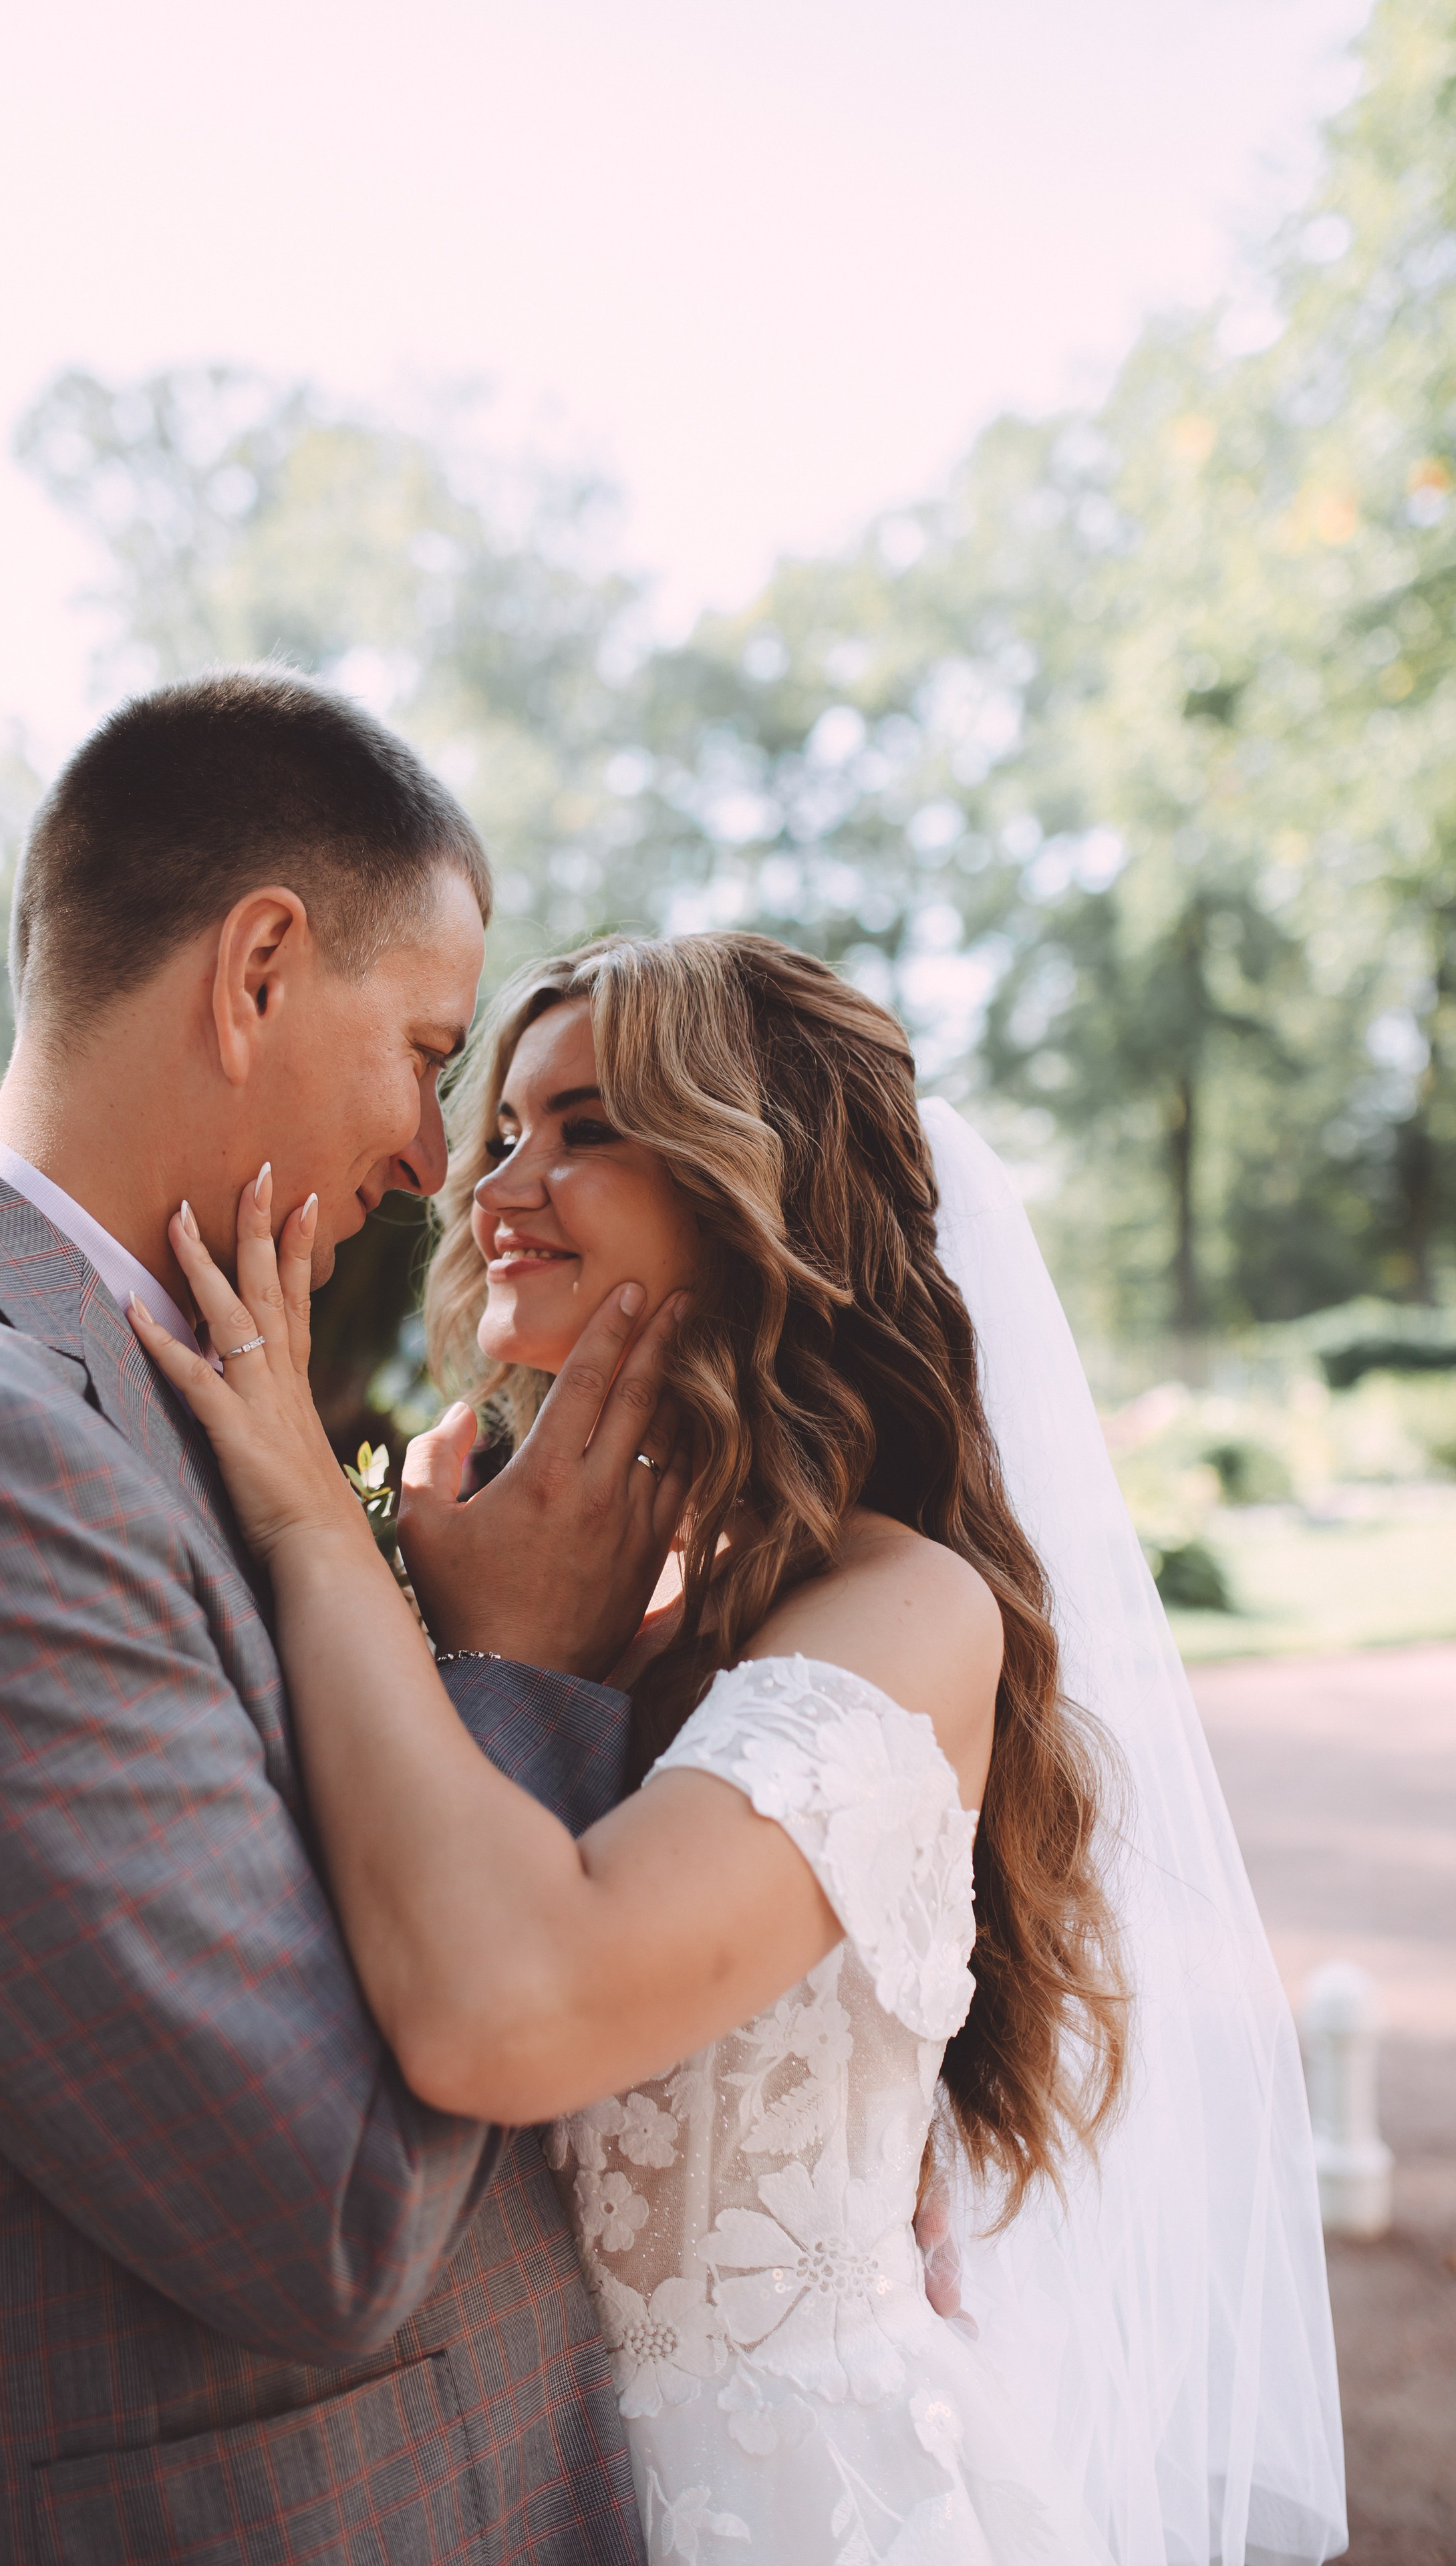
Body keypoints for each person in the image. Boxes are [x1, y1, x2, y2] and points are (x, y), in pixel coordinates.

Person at [134, 930, 1348, 2565]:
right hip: (506, 2480)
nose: (498, 1183)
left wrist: (311, 1519)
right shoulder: (591, 1596)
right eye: (500, 1129)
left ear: (757, 1187)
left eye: (587, 1130)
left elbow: (517, 2008)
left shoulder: (900, 1611)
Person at [0, 672, 682, 2566]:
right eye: (427, 1053)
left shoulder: (129, 1380)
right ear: (258, 970)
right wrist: (521, 1676)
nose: (437, 1159)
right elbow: (319, 2215)